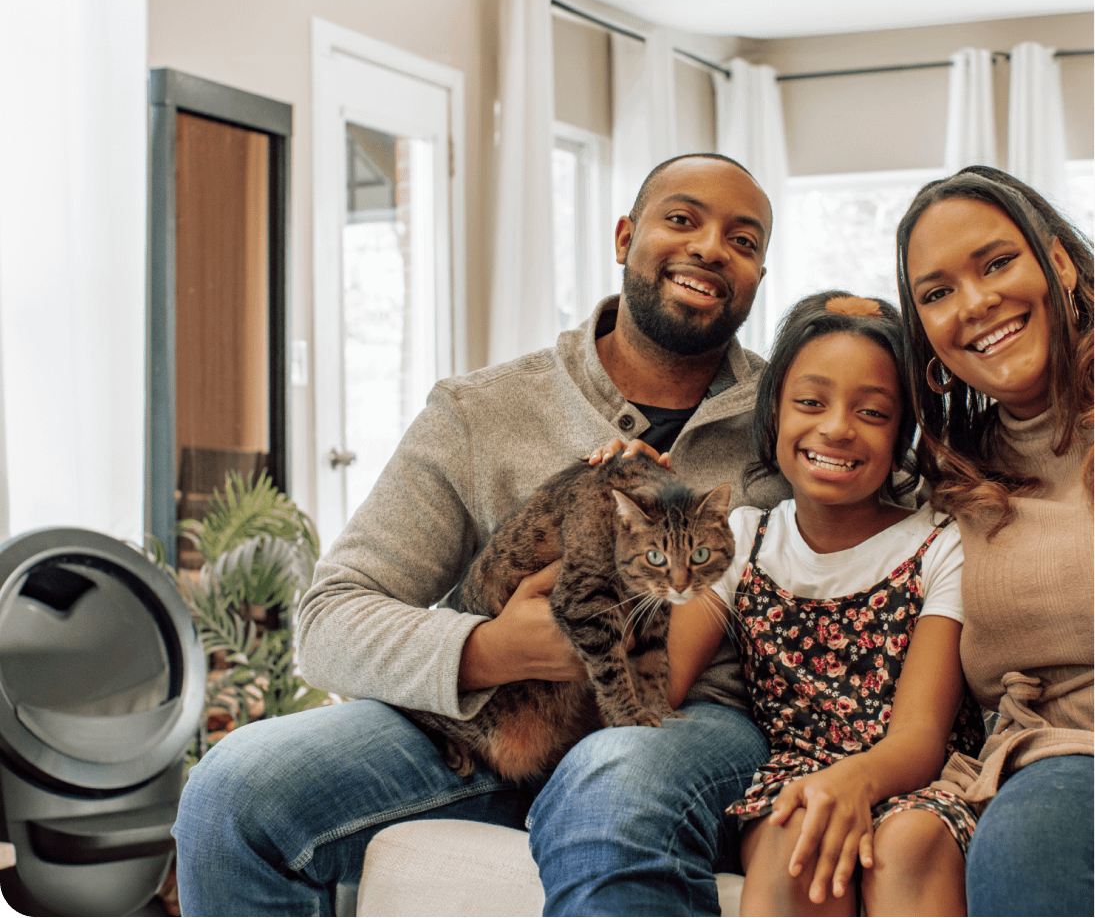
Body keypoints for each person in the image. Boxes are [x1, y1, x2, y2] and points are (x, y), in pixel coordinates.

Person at [172, 153, 790, 918]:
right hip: (493, 722)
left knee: (613, 783)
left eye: (743, 239)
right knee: (233, 789)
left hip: (689, 725)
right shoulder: (482, 410)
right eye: (681, 218)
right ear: (625, 236)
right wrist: (491, 648)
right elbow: (328, 617)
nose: (708, 247)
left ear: (759, 277)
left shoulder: (793, 420)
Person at [603, 291, 983, 916]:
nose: (836, 427)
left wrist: (850, 782)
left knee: (909, 843)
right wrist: (618, 507)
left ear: (901, 435)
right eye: (811, 402)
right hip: (791, 783)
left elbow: (919, 739)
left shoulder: (941, 544)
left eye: (873, 412)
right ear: (773, 414)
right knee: (796, 837)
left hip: (912, 778)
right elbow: (654, 689)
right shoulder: (741, 539)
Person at [896, 166, 1094, 918]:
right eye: (937, 292)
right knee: (1023, 841)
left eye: (996, 263)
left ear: (1060, 262)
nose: (975, 304)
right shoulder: (945, 474)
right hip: (1054, 762)